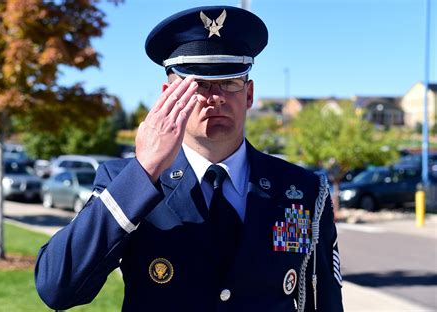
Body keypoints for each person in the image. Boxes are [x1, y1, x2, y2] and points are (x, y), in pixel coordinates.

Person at [35, 5, 343, 312]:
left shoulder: (301, 189)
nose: (216, 97)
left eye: (230, 82)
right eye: (199, 84)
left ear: (249, 94)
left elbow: (327, 301)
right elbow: (57, 288)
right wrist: (145, 170)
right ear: (168, 94)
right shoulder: (128, 182)